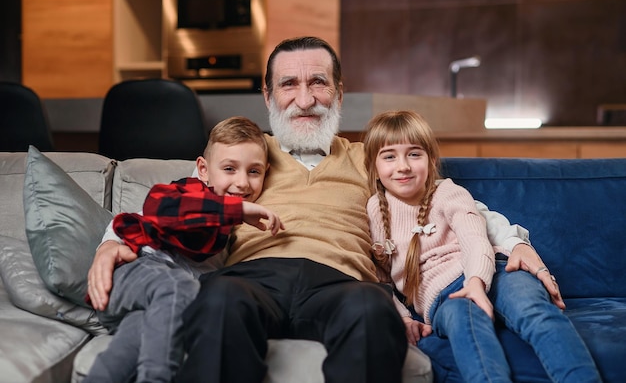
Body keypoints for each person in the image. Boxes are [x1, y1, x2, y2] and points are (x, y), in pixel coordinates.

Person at [88, 36, 565, 383]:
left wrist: (515, 244)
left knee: (372, 313)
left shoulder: (368, 157)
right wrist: (114, 244)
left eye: (318, 83)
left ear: (338, 93)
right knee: (216, 303)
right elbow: (170, 204)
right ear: (269, 96)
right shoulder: (244, 156)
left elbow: (452, 202)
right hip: (252, 277)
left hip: (342, 283)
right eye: (289, 84)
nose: (304, 98)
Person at [363, 109, 601, 382]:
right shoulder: (374, 211)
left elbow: (475, 238)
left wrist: (476, 280)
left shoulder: (449, 193)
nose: (403, 165)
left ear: (431, 159)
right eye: (389, 156)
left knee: (535, 313)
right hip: (444, 299)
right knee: (467, 327)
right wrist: (403, 317)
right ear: (374, 167)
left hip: (497, 272)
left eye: (414, 154)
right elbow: (378, 277)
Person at [84, 116, 284, 383]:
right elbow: (161, 210)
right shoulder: (190, 192)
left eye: (254, 172)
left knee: (136, 339)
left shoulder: (239, 229)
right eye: (229, 168)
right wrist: (236, 210)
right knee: (177, 286)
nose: (243, 183)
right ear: (203, 170)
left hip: (153, 306)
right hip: (135, 274)